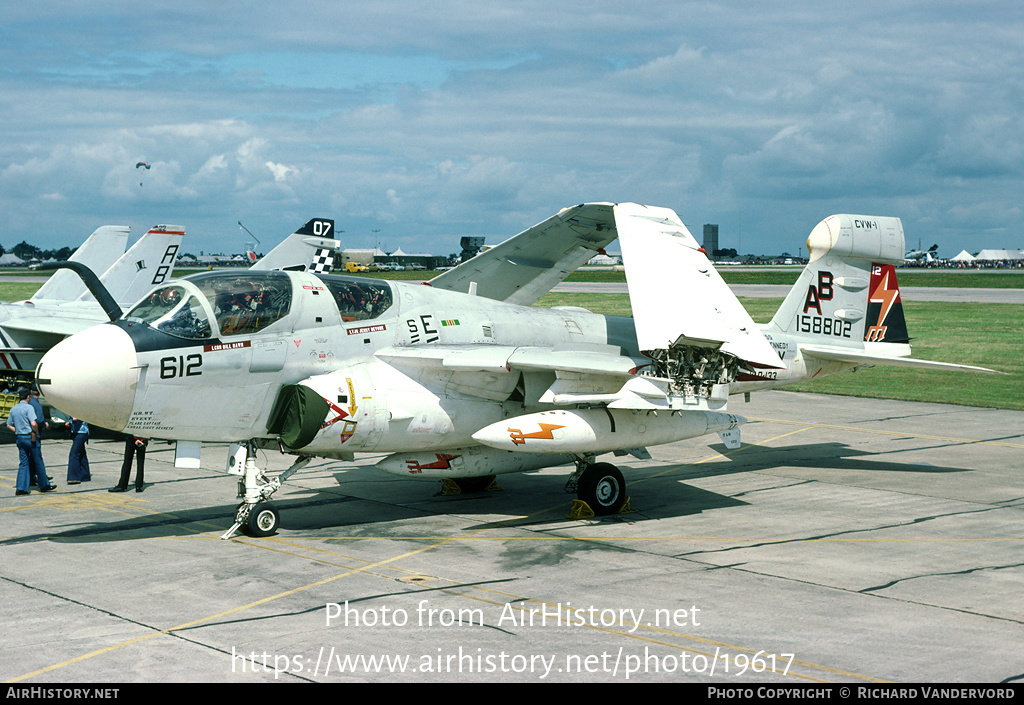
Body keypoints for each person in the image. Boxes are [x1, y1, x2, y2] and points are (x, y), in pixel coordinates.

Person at [6, 388, 56, 495]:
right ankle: (44, 485)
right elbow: (34, 423)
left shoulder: (14, 409)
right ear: (28, 397)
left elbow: (8, 424)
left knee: (23, 463)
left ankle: (21, 488)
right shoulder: (29, 408)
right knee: (38, 461)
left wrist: (18, 431)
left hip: (20, 438)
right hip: (30, 437)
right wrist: (35, 433)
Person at [27, 386, 50, 488]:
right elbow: (39, 421)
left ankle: (30, 479)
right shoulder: (37, 405)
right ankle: (44, 483)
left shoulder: (26, 404)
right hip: (35, 435)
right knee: (37, 459)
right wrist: (45, 425)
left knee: (28, 459)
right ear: (39, 393)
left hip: (23, 435)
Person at [65, 417, 91, 484]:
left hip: (82, 432)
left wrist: (71, 419)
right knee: (81, 453)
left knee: (74, 454)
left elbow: (77, 417)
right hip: (75, 431)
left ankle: (74, 477)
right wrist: (70, 423)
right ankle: (85, 475)